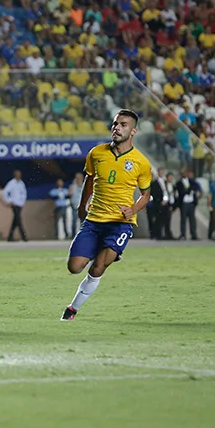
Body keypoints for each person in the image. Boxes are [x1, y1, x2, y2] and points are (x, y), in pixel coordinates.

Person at [61, 109, 152, 321]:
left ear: (133, 131)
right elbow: (89, 180)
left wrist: (133, 209)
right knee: (74, 267)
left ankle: (72, 309)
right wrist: (82, 206)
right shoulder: (96, 153)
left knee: (99, 266)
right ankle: (100, 248)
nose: (117, 128)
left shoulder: (141, 162)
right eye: (115, 124)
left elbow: (146, 195)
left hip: (121, 223)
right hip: (94, 220)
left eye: (123, 125)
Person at [3, 170, 28, 242]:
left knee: (15, 221)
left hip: (20, 204)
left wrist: (22, 202)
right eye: (17, 174)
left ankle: (9, 238)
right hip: (14, 204)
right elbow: (5, 192)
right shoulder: (11, 183)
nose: (19, 176)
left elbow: (24, 193)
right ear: (14, 175)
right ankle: (24, 237)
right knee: (19, 220)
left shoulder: (21, 183)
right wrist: (9, 201)